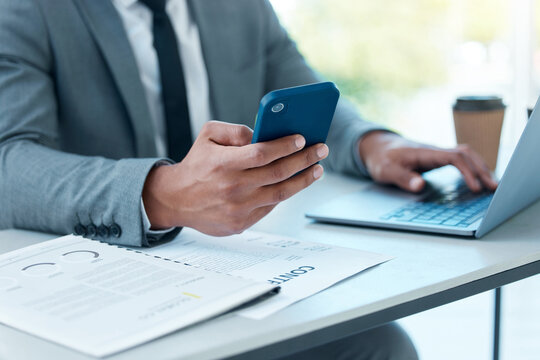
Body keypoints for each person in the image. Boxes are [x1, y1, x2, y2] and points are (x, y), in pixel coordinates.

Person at [0, 0, 496, 358]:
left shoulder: (241, 7)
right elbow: (9, 162)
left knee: (381, 344)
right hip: (103, 282)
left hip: (227, 265)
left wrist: (374, 145)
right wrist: (159, 194)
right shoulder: (29, 10)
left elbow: (304, 94)